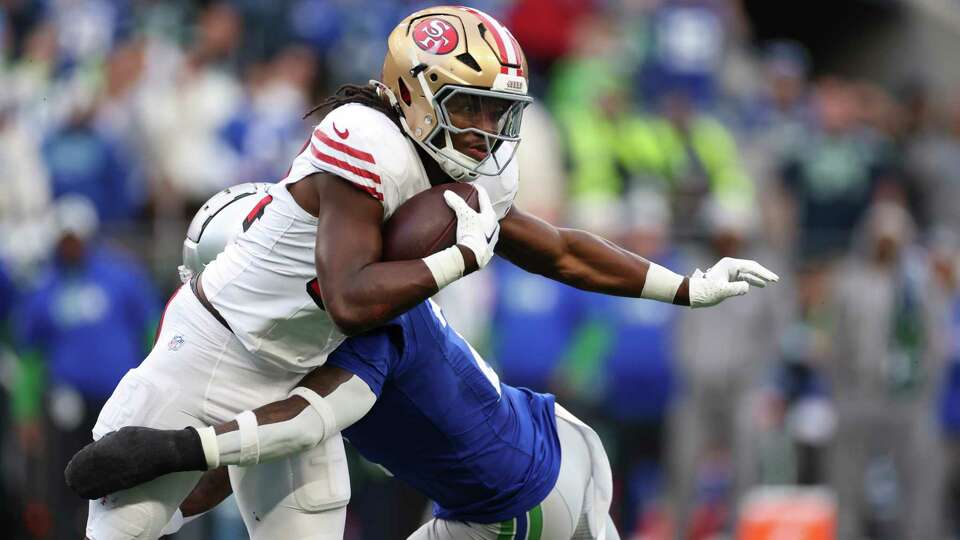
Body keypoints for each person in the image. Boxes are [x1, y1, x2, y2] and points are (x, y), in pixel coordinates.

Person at [75, 6, 778, 539]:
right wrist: (458, 258)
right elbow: (351, 299)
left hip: (308, 368)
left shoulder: (454, 180)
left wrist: (684, 287)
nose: (486, 128)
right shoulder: (364, 140)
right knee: (128, 521)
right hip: (228, 352)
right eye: (469, 106)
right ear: (412, 93)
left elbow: (557, 248)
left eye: (497, 110)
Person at [70, 298, 618, 540]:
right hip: (556, 439)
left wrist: (166, 450)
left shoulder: (367, 327)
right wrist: (164, 511)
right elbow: (248, 452)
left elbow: (300, 424)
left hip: (515, 508)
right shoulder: (368, 292)